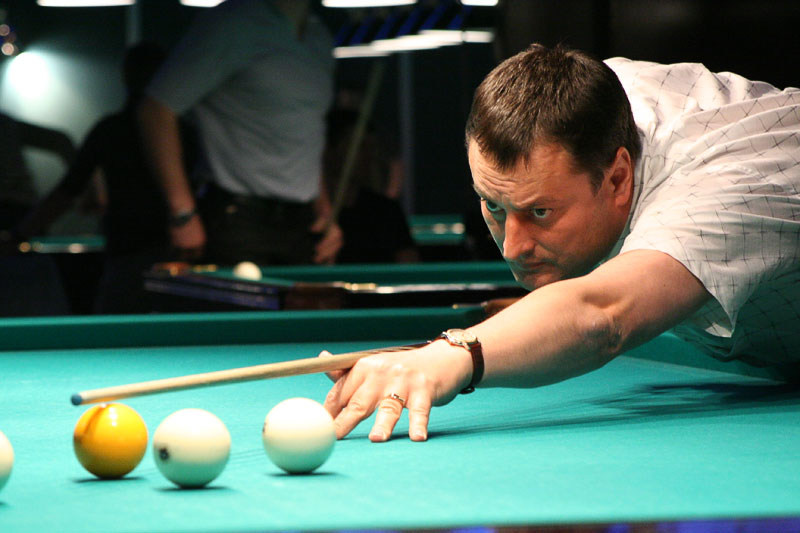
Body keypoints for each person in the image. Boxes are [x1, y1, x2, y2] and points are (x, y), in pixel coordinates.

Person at [321, 44, 800, 443]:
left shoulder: (725, 186)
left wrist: (454, 355)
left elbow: (604, 315)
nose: (512, 248)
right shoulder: (583, 107)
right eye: (494, 206)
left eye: (540, 213)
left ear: (618, 179)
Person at [138, 0, 342, 266]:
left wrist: (324, 209)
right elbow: (155, 110)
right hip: (236, 220)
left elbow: (306, 132)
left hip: (302, 223)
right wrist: (182, 212)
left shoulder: (319, 36)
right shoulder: (232, 23)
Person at [13, 42, 174, 313]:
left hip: (145, 252)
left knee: (120, 325)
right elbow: (71, 185)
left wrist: (19, 234)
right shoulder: (182, 130)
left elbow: (68, 190)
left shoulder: (112, 129)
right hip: (154, 251)